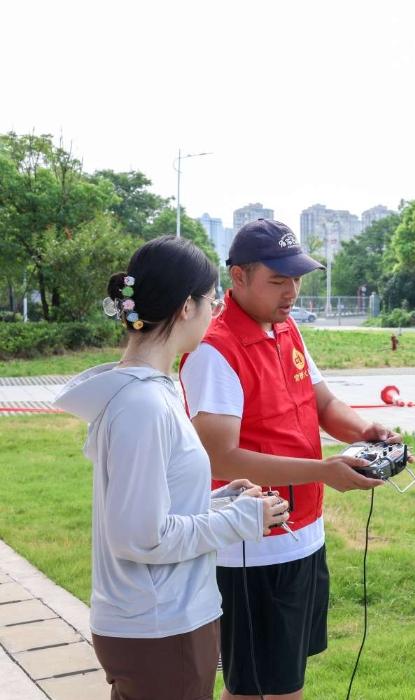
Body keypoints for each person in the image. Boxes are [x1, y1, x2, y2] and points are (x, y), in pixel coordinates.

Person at [54, 236, 290, 700]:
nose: (215, 313)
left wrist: (220, 501)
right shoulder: (142, 405)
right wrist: (241, 519)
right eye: (212, 302)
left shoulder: (149, 393)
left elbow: (151, 506)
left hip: (156, 623)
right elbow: (142, 536)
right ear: (186, 307)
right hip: (161, 627)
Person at [180, 218, 396, 700]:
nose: (292, 292)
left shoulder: (286, 328)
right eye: (278, 280)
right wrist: (323, 471)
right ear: (238, 277)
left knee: (271, 679)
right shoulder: (215, 351)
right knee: (266, 688)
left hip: (302, 534)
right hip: (252, 548)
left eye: (296, 279)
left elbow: (322, 403)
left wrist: (365, 430)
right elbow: (221, 456)